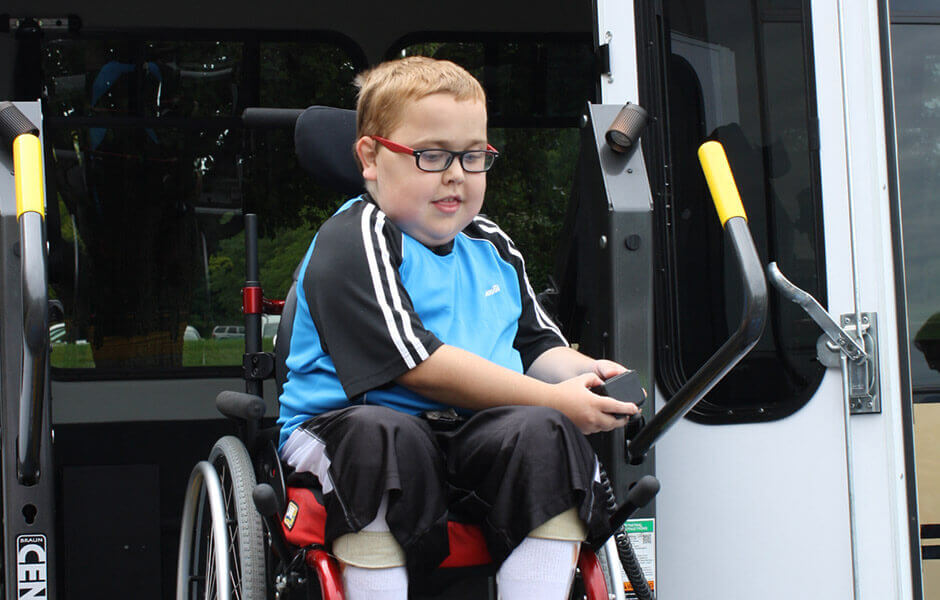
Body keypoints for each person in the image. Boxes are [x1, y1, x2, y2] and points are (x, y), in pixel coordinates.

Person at [277, 56, 640, 600]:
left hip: (465, 440)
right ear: (371, 158)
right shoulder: (355, 240)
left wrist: (588, 373)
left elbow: (536, 344)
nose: (456, 175)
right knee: (385, 436)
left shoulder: (490, 243)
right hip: (346, 438)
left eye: (473, 156)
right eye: (431, 155)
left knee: (545, 435)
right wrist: (553, 399)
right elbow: (419, 366)